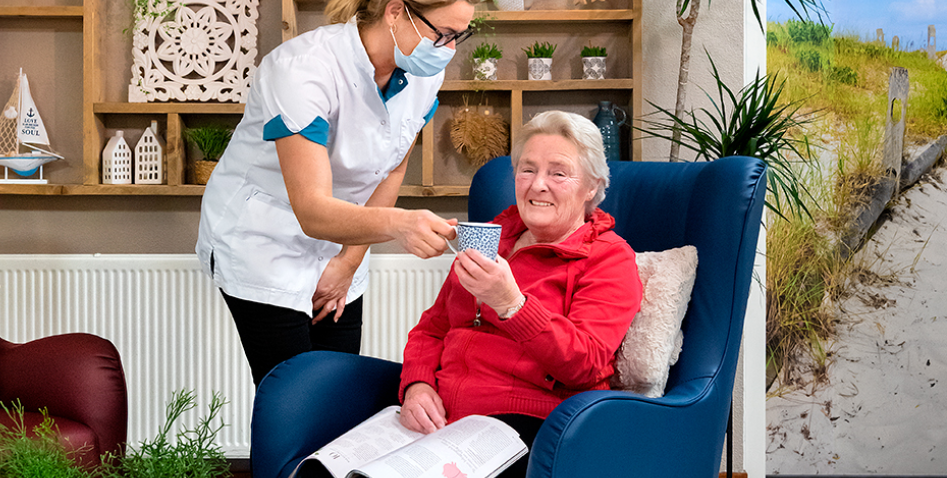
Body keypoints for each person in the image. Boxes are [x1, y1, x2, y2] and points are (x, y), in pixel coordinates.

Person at [196, 0, 480, 386]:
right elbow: (311, 210)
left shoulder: (423, 75)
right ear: (396, 12)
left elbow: (392, 169)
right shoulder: (303, 69)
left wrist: (348, 263)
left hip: (349, 236)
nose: (448, 50)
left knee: (336, 390)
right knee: (291, 399)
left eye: (459, 36)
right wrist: (400, 224)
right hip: (265, 239)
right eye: (442, 34)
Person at [397, 111, 644, 477]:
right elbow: (433, 328)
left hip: (529, 424)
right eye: (527, 170)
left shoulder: (608, 257)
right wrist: (416, 385)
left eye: (558, 173)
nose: (538, 185)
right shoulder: (492, 236)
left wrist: (511, 304)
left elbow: (586, 363)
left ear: (591, 186)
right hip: (441, 418)